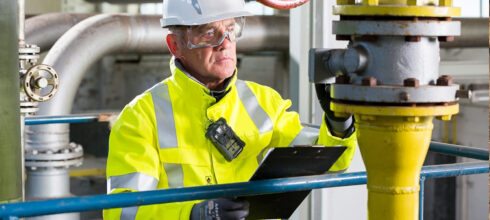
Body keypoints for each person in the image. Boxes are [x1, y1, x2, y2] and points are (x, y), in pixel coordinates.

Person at [104, 0, 356, 219]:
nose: (224, 43)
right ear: (175, 45)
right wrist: (192, 215)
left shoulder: (265, 102)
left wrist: (339, 123)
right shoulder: (140, 118)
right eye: (208, 33)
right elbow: (122, 212)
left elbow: (325, 163)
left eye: (230, 30)